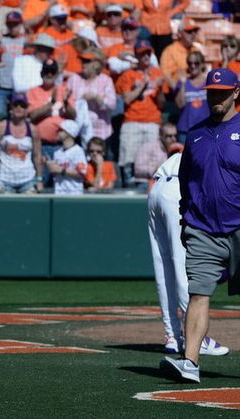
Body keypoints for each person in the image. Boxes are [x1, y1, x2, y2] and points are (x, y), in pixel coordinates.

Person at [162, 69, 240, 383]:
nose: (216, 97)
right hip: (203, 228)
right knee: (199, 294)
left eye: (222, 92)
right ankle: (190, 362)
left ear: (236, 92)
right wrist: (186, 218)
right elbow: (187, 183)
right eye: (211, 91)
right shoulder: (194, 134)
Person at [148, 143, 230, 355]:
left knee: (164, 266)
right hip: (178, 190)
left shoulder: (213, 136)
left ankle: (172, 336)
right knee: (183, 264)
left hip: (157, 188)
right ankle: (195, 338)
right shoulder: (226, 141)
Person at [115, 40, 166, 187]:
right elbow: (127, 99)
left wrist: (161, 89)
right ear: (136, 55)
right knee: (128, 160)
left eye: (148, 53)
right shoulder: (128, 75)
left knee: (153, 160)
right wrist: (142, 87)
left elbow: (162, 104)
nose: (146, 56)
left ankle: (152, 188)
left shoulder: (157, 73)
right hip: (132, 121)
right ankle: (129, 188)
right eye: (143, 53)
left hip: (152, 122)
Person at [26, 59, 76, 183]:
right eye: (46, 72)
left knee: (61, 182)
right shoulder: (33, 91)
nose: (49, 75)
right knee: (41, 181)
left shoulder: (64, 90)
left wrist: (65, 103)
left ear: (56, 74)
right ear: (41, 73)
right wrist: (50, 105)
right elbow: (31, 116)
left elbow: (73, 116)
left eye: (52, 72)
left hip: (61, 146)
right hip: (41, 146)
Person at [0, 93, 42, 193]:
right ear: (11, 107)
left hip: (27, 179)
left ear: (26, 109)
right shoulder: (2, 127)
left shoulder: (32, 129)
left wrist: (39, 179)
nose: (19, 108)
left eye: (22, 105)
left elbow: (37, 156)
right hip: (5, 179)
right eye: (16, 105)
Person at [67, 50, 116, 141]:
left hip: (100, 132)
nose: (84, 64)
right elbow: (67, 101)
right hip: (78, 132)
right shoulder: (74, 79)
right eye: (83, 61)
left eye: (87, 61)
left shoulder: (106, 80)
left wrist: (96, 97)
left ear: (97, 64)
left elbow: (112, 104)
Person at [0, 11, 27, 120]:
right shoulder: (2, 39)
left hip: (19, 85)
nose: (12, 27)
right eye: (10, 24)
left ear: (20, 24)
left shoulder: (25, 40)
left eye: (15, 24)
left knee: (18, 116)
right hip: (3, 83)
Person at [175, 51, 209, 143]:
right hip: (186, 130)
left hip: (205, 129)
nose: (193, 66)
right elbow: (180, 104)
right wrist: (182, 84)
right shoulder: (183, 82)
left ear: (202, 64)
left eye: (196, 63)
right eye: (190, 63)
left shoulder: (209, 82)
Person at [47, 119, 86, 195]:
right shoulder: (57, 152)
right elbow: (55, 174)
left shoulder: (78, 151)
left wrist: (61, 170)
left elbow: (81, 172)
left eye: (61, 130)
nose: (57, 132)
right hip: (59, 192)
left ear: (69, 133)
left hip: (74, 193)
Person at [134, 122, 177, 189]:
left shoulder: (177, 150)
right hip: (147, 183)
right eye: (169, 136)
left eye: (175, 136)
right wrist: (157, 170)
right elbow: (138, 169)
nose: (173, 139)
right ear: (160, 135)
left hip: (167, 184)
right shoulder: (148, 147)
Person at [160, 18, 201, 87]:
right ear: (179, 34)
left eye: (195, 31)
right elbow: (166, 76)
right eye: (189, 32)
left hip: (196, 89)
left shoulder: (196, 50)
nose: (193, 34)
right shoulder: (170, 51)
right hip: (178, 90)